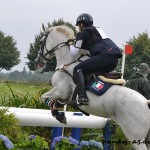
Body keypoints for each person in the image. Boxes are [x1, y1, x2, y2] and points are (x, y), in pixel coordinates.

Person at [70, 13, 122, 105]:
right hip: (114, 61)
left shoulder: (83, 33)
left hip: (104, 57)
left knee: (78, 69)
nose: (78, 27)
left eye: (78, 25)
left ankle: (82, 97)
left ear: (81, 24)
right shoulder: (99, 30)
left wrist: (70, 44)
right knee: (90, 71)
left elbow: (74, 53)